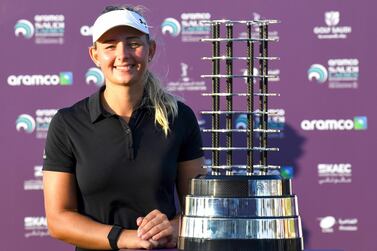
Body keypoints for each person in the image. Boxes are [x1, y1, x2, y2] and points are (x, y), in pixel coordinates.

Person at [42, 5, 204, 251]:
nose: (123, 54)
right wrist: (124, 238)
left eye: (133, 43)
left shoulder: (179, 117)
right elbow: (58, 220)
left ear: (150, 50)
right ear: (95, 55)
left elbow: (200, 213)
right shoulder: (67, 123)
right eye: (109, 45)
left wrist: (174, 229)